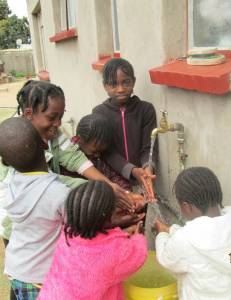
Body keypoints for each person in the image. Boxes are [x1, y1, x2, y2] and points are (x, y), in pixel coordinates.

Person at [0, 80, 133, 243]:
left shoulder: (52, 132)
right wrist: (101, 188)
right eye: (52, 117)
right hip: (19, 232)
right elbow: (45, 182)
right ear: (29, 114)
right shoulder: (13, 143)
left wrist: (107, 184)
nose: (58, 123)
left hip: (46, 223)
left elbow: (73, 157)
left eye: (61, 116)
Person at [154, 167, 231, 300]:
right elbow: (209, 237)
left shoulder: (186, 239)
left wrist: (161, 234)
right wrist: (172, 230)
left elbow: (166, 259)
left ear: (186, 206)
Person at [38, 180, 148, 300]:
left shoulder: (68, 233)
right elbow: (138, 257)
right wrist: (138, 236)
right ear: (108, 217)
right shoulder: (116, 250)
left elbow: (95, 242)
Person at [0, 117, 70, 299]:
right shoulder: (58, 193)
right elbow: (78, 225)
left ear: (6, 162)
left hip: (17, 267)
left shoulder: (12, 181)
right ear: (44, 145)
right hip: (40, 276)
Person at [92, 58, 157, 200]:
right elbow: (107, 152)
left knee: (140, 214)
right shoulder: (99, 113)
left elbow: (149, 146)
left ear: (133, 81)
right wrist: (131, 170)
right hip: (113, 180)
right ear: (105, 86)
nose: (120, 89)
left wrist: (148, 169)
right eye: (113, 84)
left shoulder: (145, 110)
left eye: (125, 82)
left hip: (142, 178)